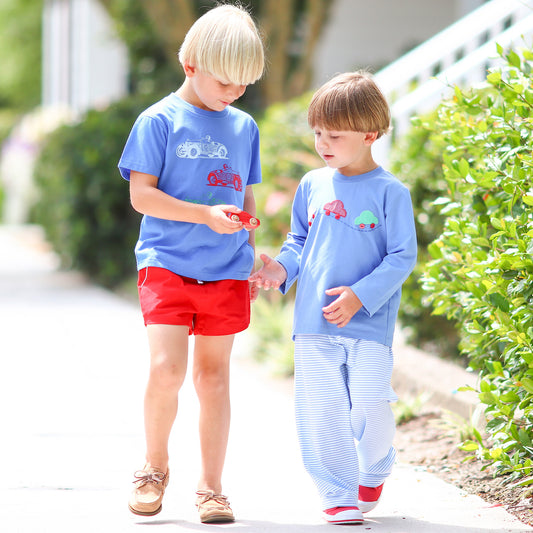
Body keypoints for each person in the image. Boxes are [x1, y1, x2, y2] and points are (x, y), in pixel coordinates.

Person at [249, 71, 417, 525]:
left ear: (370, 134)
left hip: (367, 324)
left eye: (334, 135)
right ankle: (337, 492)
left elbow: (403, 257)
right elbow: (299, 242)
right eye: (318, 132)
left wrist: (361, 297)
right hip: (314, 325)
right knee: (322, 412)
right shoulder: (312, 184)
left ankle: (376, 464)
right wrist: (279, 270)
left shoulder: (391, 192)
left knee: (368, 404)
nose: (323, 142)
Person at [118, 4, 264, 523]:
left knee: (213, 377)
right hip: (166, 263)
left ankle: (211, 488)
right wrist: (203, 215)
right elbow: (142, 197)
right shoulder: (158, 121)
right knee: (167, 369)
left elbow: (247, 199)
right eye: (226, 81)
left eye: (244, 85)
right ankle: (153, 467)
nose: (234, 93)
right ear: (191, 64)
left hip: (225, 269)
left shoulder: (245, 127)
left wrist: (250, 243)